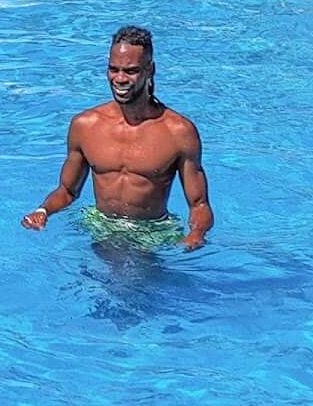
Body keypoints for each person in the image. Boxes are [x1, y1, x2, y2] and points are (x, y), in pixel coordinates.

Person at [23, 25, 212, 249]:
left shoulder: (179, 132)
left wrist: (196, 233)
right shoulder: (85, 125)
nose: (120, 78)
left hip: (152, 231)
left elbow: (199, 204)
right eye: (114, 69)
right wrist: (43, 211)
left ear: (150, 70)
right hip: (99, 224)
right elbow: (67, 191)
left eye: (130, 71)